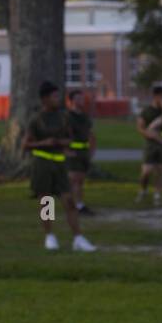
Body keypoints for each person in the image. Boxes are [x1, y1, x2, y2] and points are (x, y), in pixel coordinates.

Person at [23, 81, 96, 252]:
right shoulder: (37, 119)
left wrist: (63, 143)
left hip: (60, 163)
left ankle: (78, 238)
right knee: (47, 202)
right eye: (55, 96)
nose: (58, 99)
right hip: (43, 164)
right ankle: (50, 236)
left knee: (69, 201)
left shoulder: (63, 117)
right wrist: (44, 143)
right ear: (45, 99)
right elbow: (26, 145)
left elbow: (70, 138)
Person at [136, 85, 162, 205]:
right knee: (146, 171)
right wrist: (150, 134)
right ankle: (142, 190)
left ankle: (157, 194)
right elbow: (140, 128)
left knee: (160, 170)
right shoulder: (147, 111)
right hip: (151, 144)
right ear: (156, 96)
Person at [65, 89, 96, 215]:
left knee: (80, 180)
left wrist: (91, 150)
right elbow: (64, 134)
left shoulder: (85, 117)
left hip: (84, 152)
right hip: (73, 152)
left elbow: (91, 134)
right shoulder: (68, 117)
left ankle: (78, 204)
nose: (81, 100)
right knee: (74, 179)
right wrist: (67, 150)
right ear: (71, 101)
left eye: (81, 98)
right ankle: (75, 205)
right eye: (78, 98)